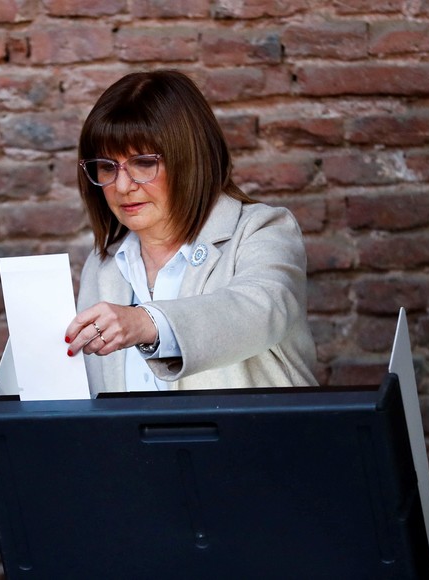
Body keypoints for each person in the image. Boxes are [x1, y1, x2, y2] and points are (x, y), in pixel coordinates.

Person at [64, 69, 318, 395]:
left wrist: (146, 322)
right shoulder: (103, 267)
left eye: (143, 163)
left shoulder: (262, 231)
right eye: (107, 167)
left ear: (190, 160)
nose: (123, 186)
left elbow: (262, 310)